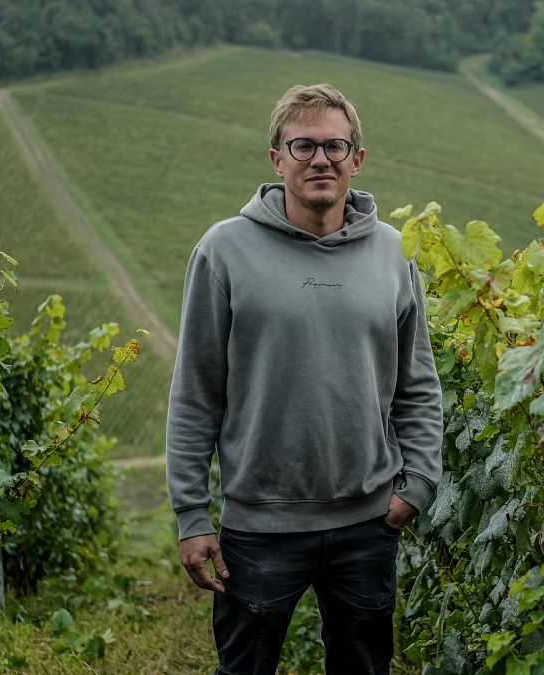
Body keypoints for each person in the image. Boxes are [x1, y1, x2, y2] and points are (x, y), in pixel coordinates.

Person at [165, 83, 443, 675]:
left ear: (358, 160)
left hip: (368, 524)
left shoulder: (396, 255)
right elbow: (195, 392)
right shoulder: (224, 251)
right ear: (277, 159)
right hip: (259, 529)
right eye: (304, 146)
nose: (322, 159)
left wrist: (415, 484)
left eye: (336, 146)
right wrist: (192, 516)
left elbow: (418, 384)